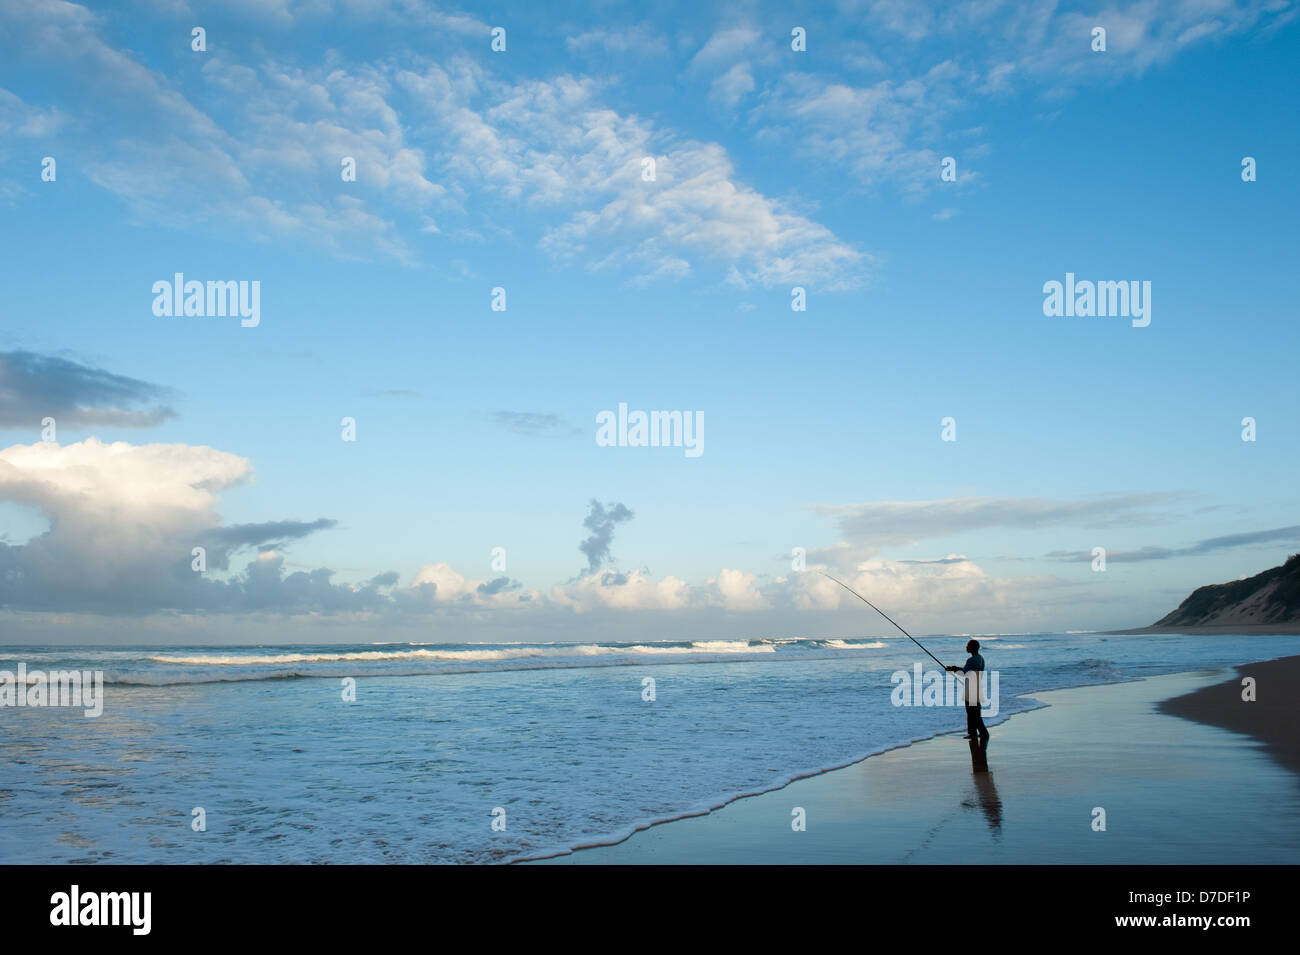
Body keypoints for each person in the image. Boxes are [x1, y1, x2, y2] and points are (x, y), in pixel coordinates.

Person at [946, 639, 989, 746]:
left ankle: (978, 733)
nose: (966, 647)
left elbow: (964, 673)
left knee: (971, 713)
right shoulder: (980, 659)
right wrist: (954, 668)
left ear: (972, 648)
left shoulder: (971, 660)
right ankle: (976, 733)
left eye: (968, 645)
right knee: (975, 713)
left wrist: (953, 669)